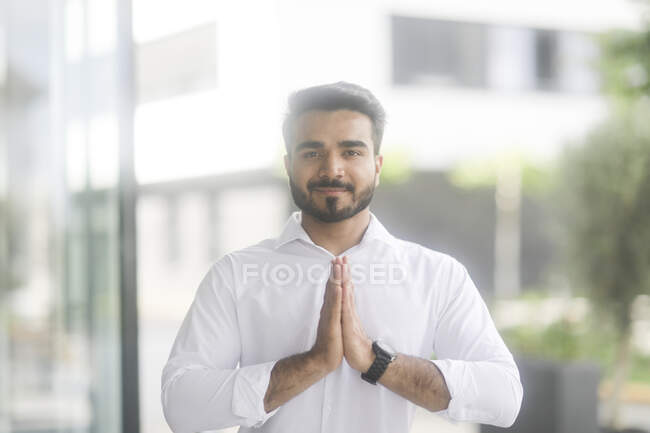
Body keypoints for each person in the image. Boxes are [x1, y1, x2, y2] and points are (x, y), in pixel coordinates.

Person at [161, 82, 523, 433]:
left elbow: (504, 397)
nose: (332, 168)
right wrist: (311, 364)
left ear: (377, 166)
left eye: (351, 152)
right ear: (289, 165)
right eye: (312, 152)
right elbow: (182, 405)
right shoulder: (235, 275)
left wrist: (378, 362)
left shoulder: (437, 276)